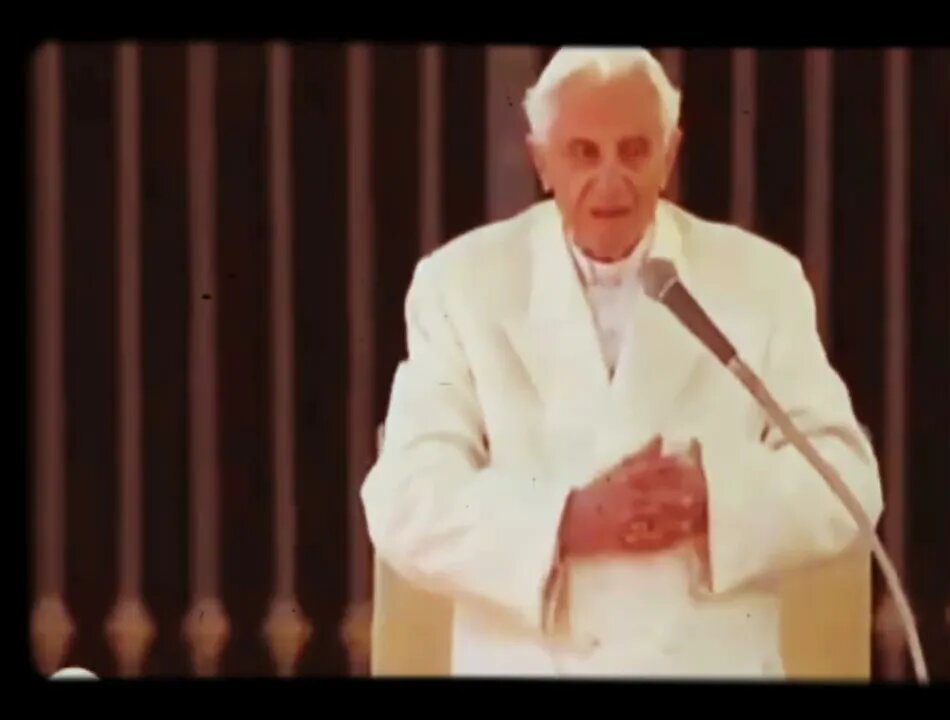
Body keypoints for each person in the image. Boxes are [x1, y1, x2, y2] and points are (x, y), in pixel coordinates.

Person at [360, 46, 883, 677]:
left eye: (634, 151)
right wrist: (568, 520)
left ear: (670, 155)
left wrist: (712, 499)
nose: (611, 181)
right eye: (584, 152)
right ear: (541, 162)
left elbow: (847, 480)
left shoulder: (759, 281)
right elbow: (406, 502)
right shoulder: (463, 285)